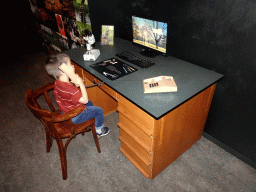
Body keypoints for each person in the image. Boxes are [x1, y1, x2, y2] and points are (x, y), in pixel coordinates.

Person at [45, 53, 110, 138]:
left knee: (90, 103)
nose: (73, 66)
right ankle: (99, 130)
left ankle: (91, 118)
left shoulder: (57, 82)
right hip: (74, 116)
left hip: (65, 109)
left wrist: (73, 81)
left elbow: (69, 96)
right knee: (98, 110)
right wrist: (81, 84)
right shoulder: (71, 89)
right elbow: (84, 100)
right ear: (63, 69)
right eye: (70, 64)